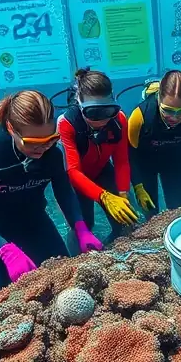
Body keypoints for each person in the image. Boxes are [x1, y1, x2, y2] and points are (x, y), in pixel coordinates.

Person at [0, 90, 101, 301]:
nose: (42, 148)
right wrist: (5, 250)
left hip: (32, 217)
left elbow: (64, 193)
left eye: (50, 139)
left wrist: (80, 227)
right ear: (11, 129)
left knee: (62, 280)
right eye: (32, 142)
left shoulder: (55, 153)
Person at [57, 67, 138, 251]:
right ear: (80, 105)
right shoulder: (66, 123)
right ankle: (76, 261)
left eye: (108, 111)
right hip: (77, 181)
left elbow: (122, 161)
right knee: (82, 227)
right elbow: (73, 171)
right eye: (93, 113)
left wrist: (123, 193)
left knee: (126, 220)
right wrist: (103, 196)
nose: (102, 120)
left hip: (103, 171)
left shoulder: (119, 120)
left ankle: (115, 248)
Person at [127, 70, 181, 218]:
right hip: (145, 163)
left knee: (179, 209)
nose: (175, 118)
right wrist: (138, 186)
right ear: (158, 100)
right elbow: (130, 154)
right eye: (168, 111)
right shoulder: (139, 116)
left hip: (175, 161)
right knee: (150, 212)